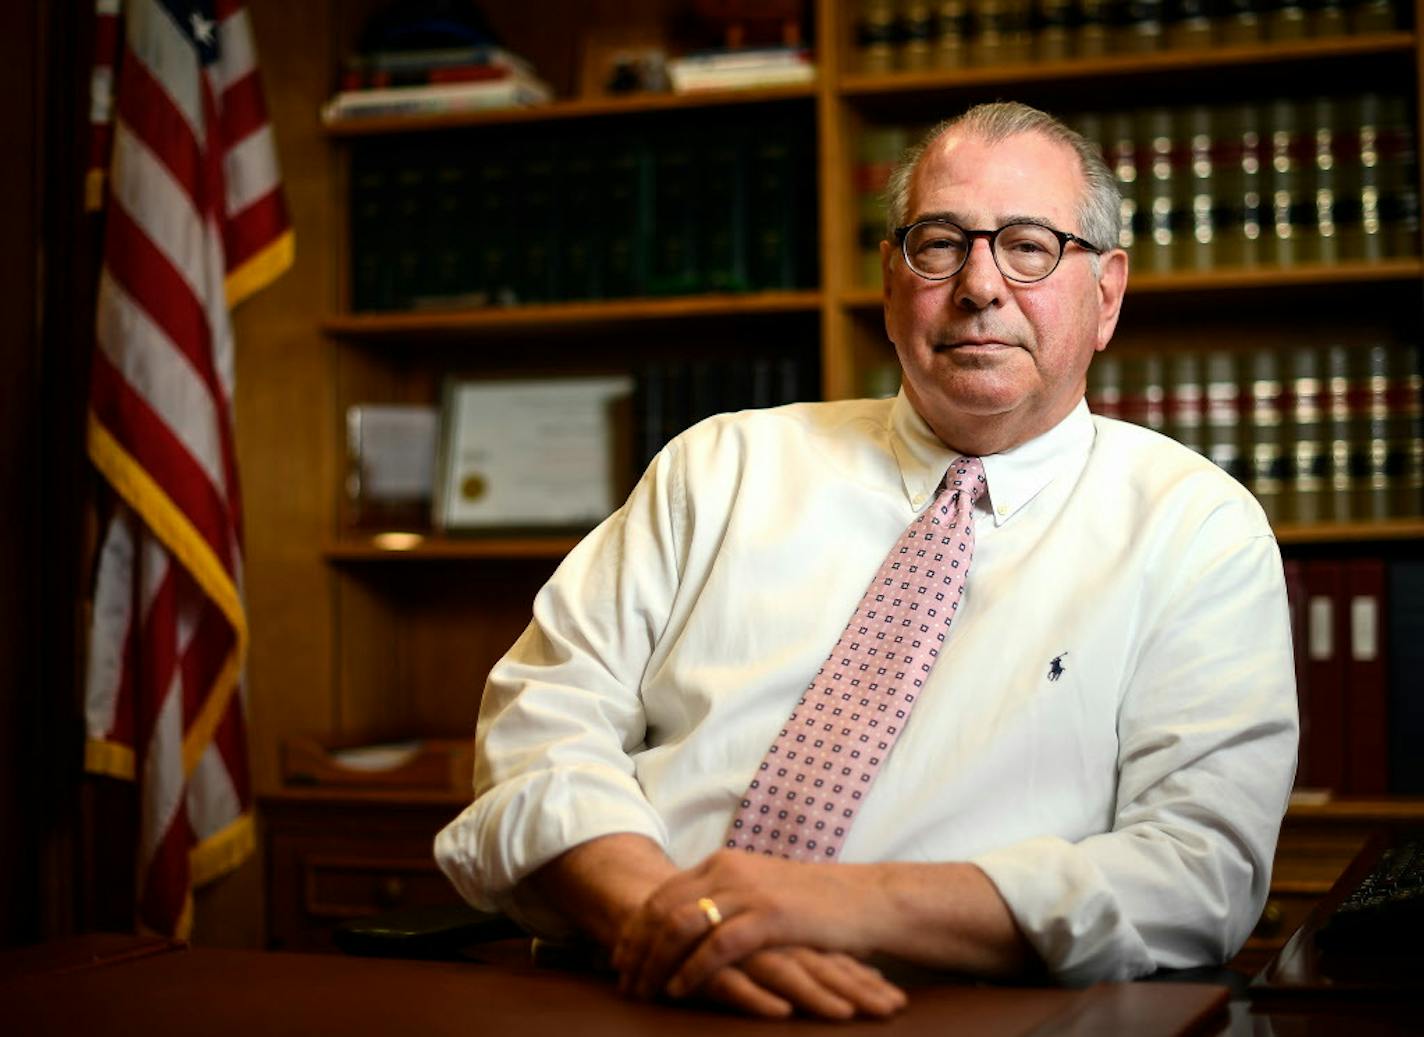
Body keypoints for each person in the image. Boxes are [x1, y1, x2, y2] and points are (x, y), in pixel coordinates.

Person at [434, 101, 1298, 1020]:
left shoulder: (1198, 529)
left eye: (1030, 246)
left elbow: (1198, 870)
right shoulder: (718, 467)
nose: (979, 285)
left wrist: (838, 906)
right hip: (632, 982)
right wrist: (671, 917)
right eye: (939, 243)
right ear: (892, 282)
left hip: (945, 1014)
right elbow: (539, 727)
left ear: (1107, 294)